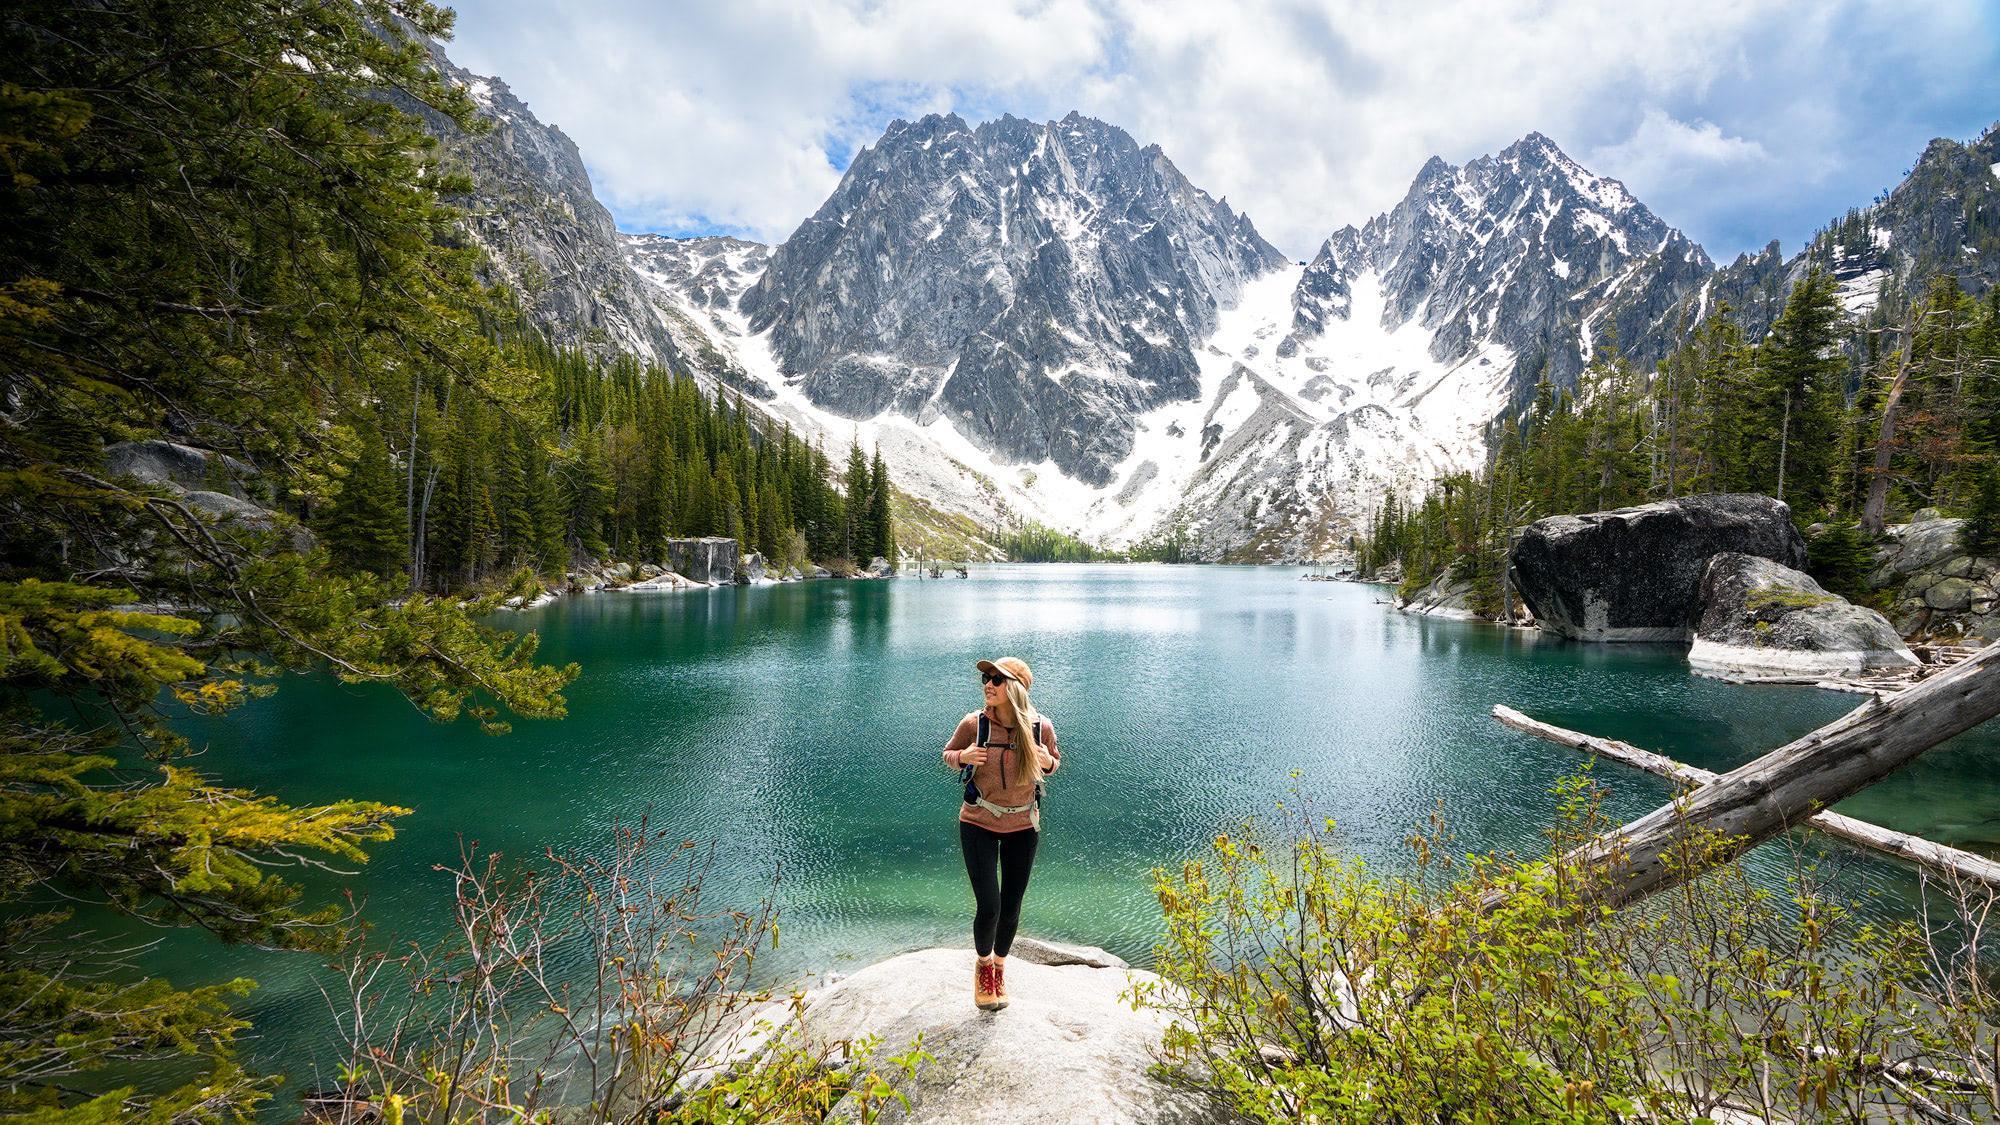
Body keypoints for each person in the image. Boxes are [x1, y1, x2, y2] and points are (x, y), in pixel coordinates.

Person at [941, 656, 1059, 1011]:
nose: (987, 685)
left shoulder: (1041, 727)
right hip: (977, 821)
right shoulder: (973, 724)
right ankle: (983, 967)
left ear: (1016, 688)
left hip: (1023, 826)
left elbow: (1055, 761)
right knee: (989, 907)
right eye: (986, 679)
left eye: (997, 679)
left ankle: (1001, 969)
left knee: (1010, 909)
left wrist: (1046, 763)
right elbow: (946, 754)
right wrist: (963, 757)